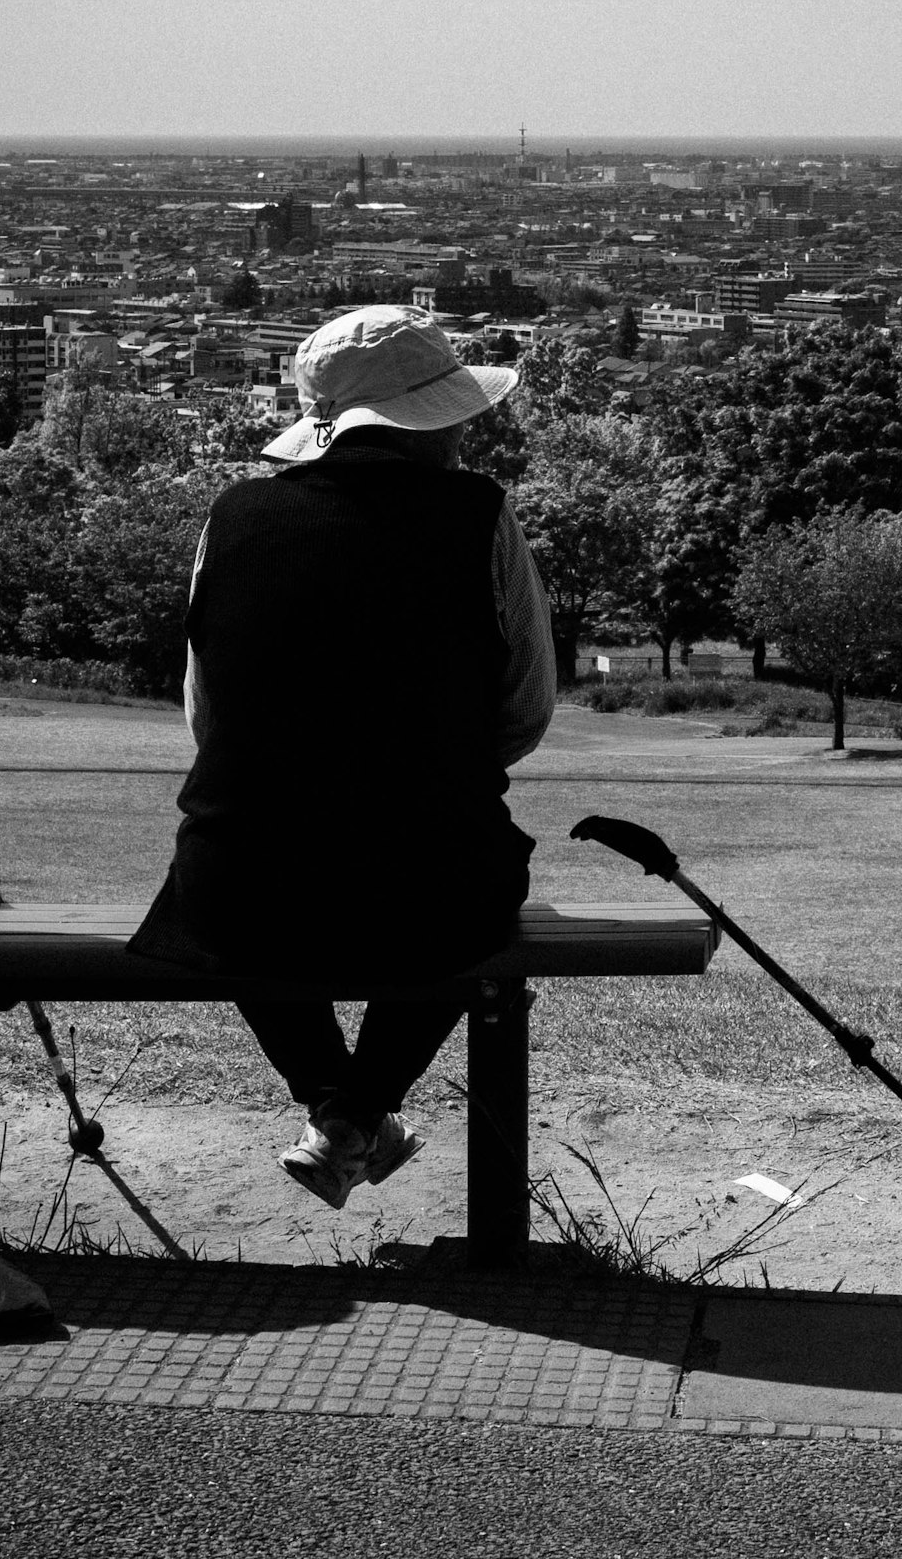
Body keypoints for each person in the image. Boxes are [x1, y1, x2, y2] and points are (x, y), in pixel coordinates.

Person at [133, 307, 557, 1208]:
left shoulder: (235, 517)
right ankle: (358, 1111)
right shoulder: (479, 516)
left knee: (222, 881)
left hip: (243, 885)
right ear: (432, 421)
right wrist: (433, 760)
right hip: (428, 881)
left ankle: (336, 1109)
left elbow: (208, 720)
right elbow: (524, 710)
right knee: (474, 885)